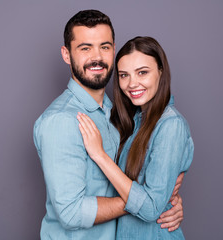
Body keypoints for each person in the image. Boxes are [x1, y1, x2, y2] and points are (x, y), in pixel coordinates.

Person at [34, 10, 184, 239]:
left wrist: (162, 198)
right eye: (85, 48)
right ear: (66, 54)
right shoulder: (62, 121)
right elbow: (71, 213)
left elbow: (140, 171)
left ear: (113, 50)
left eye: (104, 47)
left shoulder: (119, 113)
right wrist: (152, 204)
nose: (97, 57)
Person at [76, 36, 194, 239]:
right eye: (124, 75)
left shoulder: (171, 125)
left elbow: (150, 209)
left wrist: (100, 155)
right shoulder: (132, 121)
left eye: (142, 72)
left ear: (161, 72)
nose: (132, 83)